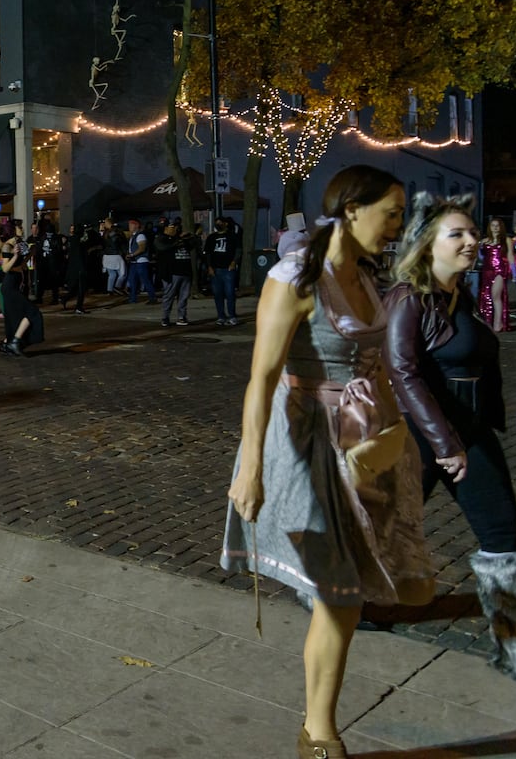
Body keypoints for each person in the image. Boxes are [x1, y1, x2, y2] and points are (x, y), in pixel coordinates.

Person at [224, 165, 433, 759]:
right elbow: (262, 379)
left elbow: (381, 365)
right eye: (390, 212)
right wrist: (251, 467)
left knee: (346, 592)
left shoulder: (368, 277)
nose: (397, 225)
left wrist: (396, 435)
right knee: (340, 593)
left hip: (364, 444)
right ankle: (320, 735)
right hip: (305, 444)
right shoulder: (294, 278)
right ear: (351, 210)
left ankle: (318, 728)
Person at [385, 194, 516, 687]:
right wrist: (444, 443)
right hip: (422, 435)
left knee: (502, 536)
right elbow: (403, 373)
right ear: (427, 245)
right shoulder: (407, 297)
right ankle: (345, 602)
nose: (473, 241)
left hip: (470, 430)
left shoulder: (460, 294)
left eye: (473, 233)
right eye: (458, 234)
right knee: (390, 529)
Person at [0, 232, 43, 356]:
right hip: (9, 287)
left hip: (16, 285)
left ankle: (7, 343)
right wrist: (15, 256)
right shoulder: (7, 246)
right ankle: (14, 342)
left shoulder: (21, 244)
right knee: (32, 312)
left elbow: (21, 266)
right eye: (18, 229)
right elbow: (5, 268)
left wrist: (29, 255)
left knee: (16, 317)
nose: (21, 232)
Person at [476, 216, 514, 332]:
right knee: (486, 296)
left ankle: (498, 323)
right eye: (493, 225)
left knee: (495, 295)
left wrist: (514, 272)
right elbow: (481, 257)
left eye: (497, 226)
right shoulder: (485, 241)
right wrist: (479, 248)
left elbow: (510, 256)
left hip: (500, 270)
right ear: (490, 227)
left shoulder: (506, 240)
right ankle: (488, 321)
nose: (495, 228)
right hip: (487, 270)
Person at [156, 219, 195, 327]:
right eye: (172, 227)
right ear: (166, 228)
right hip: (171, 272)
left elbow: (192, 245)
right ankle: (165, 317)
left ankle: (182, 317)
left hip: (185, 272)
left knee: (183, 296)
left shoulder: (181, 238)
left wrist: (190, 237)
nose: (175, 229)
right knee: (169, 296)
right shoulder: (161, 239)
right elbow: (162, 248)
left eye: (176, 227)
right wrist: (178, 240)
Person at [205, 217, 240, 327]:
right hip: (215, 269)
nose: (218, 224)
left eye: (220, 223)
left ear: (225, 224)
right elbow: (208, 253)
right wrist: (209, 266)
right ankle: (221, 316)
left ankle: (232, 316)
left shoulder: (232, 236)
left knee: (230, 293)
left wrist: (234, 262)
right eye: (216, 223)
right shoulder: (211, 237)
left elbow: (238, 250)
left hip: (228, 269)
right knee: (217, 294)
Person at [124, 218, 155, 304]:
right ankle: (133, 298)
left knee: (145, 280)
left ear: (136, 225)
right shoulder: (134, 236)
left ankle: (152, 298)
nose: (129, 226)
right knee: (132, 280)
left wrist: (132, 255)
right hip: (135, 262)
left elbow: (142, 248)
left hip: (141, 261)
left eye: (131, 224)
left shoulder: (140, 235)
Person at [60, 222, 89, 314]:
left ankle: (65, 299)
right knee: (81, 288)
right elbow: (80, 256)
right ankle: (78, 307)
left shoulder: (71, 240)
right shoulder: (78, 241)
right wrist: (83, 268)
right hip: (79, 268)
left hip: (72, 267)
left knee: (75, 288)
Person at [100, 218, 126, 295]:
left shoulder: (105, 233)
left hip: (106, 256)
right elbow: (121, 243)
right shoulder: (117, 231)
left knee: (112, 274)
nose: (104, 224)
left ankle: (110, 290)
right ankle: (117, 287)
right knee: (122, 274)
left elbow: (103, 244)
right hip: (116, 255)